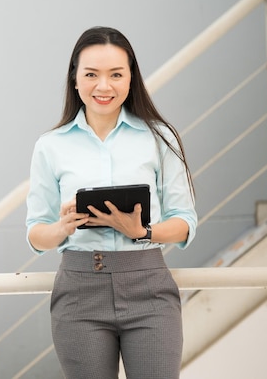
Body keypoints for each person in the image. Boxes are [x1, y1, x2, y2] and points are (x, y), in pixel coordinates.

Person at [25, 26, 197, 379]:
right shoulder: (50, 146)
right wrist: (62, 228)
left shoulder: (160, 137)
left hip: (148, 286)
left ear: (131, 79)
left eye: (116, 75)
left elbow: (185, 222)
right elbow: (35, 234)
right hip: (79, 292)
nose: (104, 86)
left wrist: (143, 230)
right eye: (91, 75)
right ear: (75, 79)